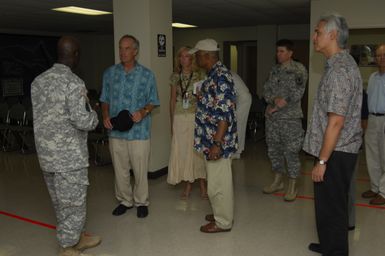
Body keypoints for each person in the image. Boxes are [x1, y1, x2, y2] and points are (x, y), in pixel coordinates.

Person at [31, 36, 101, 256]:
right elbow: (83, 121)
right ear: (76, 55)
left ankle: (75, 236)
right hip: (69, 158)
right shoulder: (74, 83)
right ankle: (68, 247)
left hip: (47, 157)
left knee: (61, 202)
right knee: (73, 204)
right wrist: (94, 113)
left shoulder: (38, 81)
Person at [303, 13, 362, 255]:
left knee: (334, 207)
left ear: (333, 35)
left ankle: (336, 250)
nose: (314, 36)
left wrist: (322, 161)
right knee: (326, 206)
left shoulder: (340, 70)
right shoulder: (338, 65)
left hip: (335, 152)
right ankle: (328, 244)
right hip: (334, 149)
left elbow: (336, 122)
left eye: (318, 32)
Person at [100, 35, 160, 218]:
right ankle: (125, 200)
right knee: (120, 169)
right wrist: (105, 116)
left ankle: (141, 201)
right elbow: (104, 99)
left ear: (135, 51)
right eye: (120, 48)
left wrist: (143, 112)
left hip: (139, 132)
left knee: (140, 169)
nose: (122, 52)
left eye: (126, 48)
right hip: (116, 131)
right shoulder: (109, 73)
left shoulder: (147, 75)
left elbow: (153, 101)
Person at [189, 38, 237, 233]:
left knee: (219, 183)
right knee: (215, 180)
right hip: (210, 139)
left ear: (206, 56)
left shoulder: (221, 77)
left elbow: (225, 114)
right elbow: (215, 105)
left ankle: (223, 221)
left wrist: (217, 143)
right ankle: (219, 212)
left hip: (218, 141)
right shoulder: (213, 74)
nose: (195, 58)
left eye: (197, 55)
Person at [262, 39, 308, 201]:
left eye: (282, 51)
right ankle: (277, 181)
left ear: (290, 53)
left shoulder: (299, 69)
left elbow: (296, 93)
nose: (278, 54)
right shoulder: (274, 70)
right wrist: (271, 102)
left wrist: (278, 104)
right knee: (274, 151)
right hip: (273, 119)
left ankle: (292, 184)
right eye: (277, 51)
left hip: (290, 119)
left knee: (291, 152)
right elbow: (266, 89)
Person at [167, 46, 207, 199]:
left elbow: (203, 99)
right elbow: (171, 100)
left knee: (196, 152)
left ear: (192, 58)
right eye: (181, 57)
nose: (184, 59)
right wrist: (171, 122)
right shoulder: (174, 76)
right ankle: (187, 185)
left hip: (194, 116)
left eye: (187, 56)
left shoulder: (199, 75)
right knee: (183, 152)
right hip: (179, 116)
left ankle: (203, 185)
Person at [362, 44, 385, 205]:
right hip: (372, 119)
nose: (380, 58)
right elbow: (367, 100)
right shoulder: (372, 77)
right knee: (372, 156)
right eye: (378, 55)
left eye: (384, 55)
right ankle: (375, 187)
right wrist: (364, 119)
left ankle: (383, 192)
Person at [230, 71, 252, 159]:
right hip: (242, 98)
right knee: (239, 125)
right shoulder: (229, 73)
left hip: (244, 99)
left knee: (239, 125)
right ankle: (238, 149)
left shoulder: (227, 74)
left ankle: (237, 152)